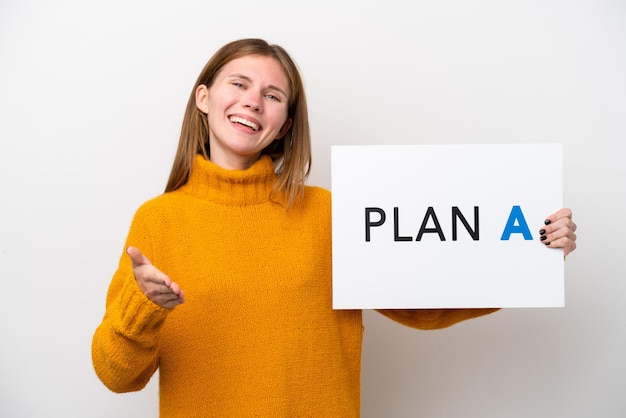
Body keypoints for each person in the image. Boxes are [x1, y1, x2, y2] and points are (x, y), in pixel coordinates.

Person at [91, 38, 577, 417]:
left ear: (283, 124)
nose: (253, 101)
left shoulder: (327, 214)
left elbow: (421, 306)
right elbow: (118, 376)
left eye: (272, 95)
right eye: (238, 84)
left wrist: (528, 255)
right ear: (204, 97)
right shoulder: (157, 220)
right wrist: (143, 308)